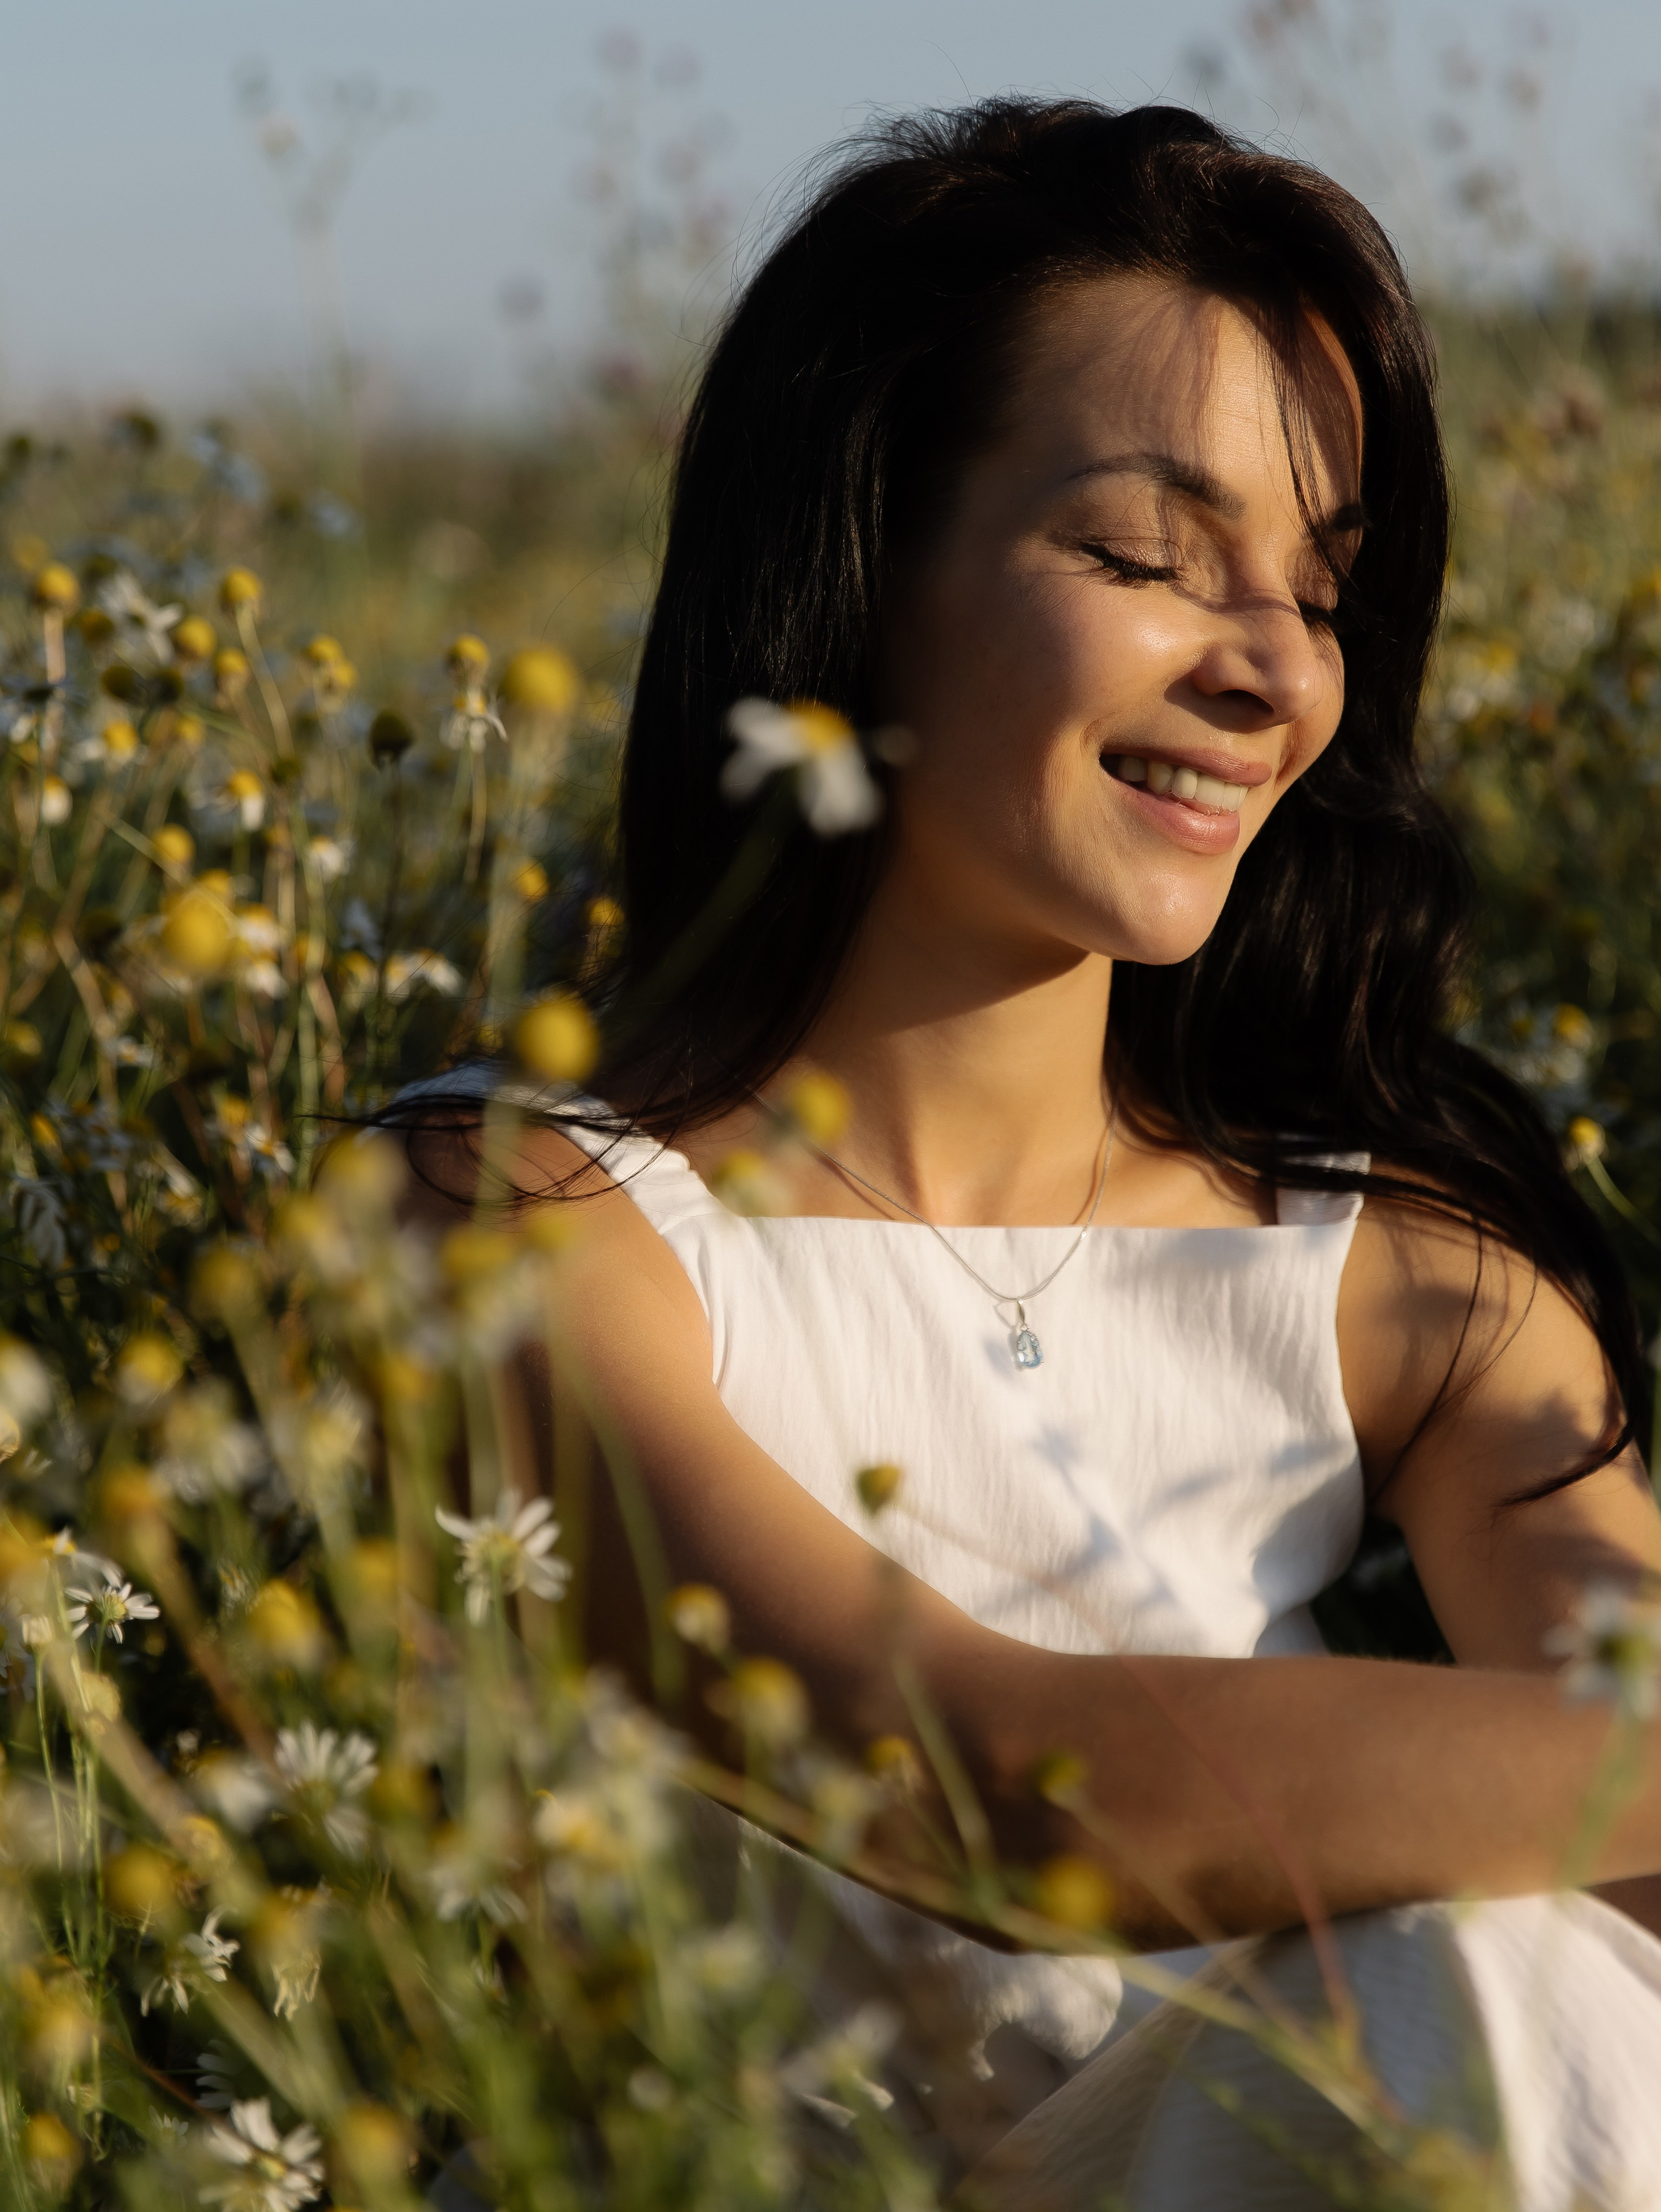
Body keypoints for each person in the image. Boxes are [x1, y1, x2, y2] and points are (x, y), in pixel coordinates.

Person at [399, 101, 1661, 2209]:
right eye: (1146, 557)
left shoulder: (1404, 1269)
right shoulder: (516, 1218)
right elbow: (994, 1785)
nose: (1272, 669)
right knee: (1476, 1983)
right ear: (861, 565)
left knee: (1512, 1981)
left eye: (1324, 588)